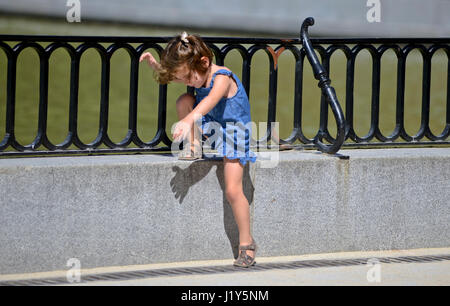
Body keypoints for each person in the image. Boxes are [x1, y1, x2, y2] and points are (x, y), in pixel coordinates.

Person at [139, 32, 257, 267]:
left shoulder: (223, 77)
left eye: (189, 77)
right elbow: (176, 78)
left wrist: (187, 120)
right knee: (184, 99)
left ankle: (247, 243)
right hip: (214, 127)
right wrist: (157, 66)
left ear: (204, 62)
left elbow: (209, 102)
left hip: (233, 133)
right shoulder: (195, 72)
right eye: (184, 78)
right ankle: (195, 147)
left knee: (233, 190)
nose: (189, 82)